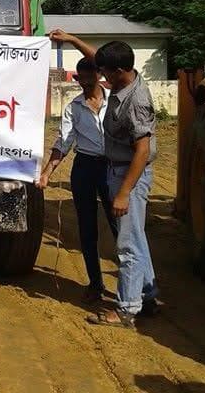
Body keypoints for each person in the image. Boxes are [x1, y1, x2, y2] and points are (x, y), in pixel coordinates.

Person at [50, 29, 159, 328]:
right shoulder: (126, 82)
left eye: (105, 72)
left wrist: (123, 192)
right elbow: (97, 59)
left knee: (127, 244)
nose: (102, 77)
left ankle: (126, 309)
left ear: (119, 71)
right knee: (136, 238)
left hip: (128, 173)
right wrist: (73, 40)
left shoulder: (134, 102)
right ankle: (147, 295)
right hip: (111, 168)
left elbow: (142, 151)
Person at [37, 56, 117, 301]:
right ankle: (95, 284)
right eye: (81, 78)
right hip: (85, 167)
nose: (85, 82)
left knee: (120, 227)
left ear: (99, 76)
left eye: (89, 77)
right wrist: (47, 173)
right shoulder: (73, 108)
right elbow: (64, 142)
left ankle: (136, 288)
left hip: (112, 167)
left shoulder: (116, 101)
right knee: (87, 227)